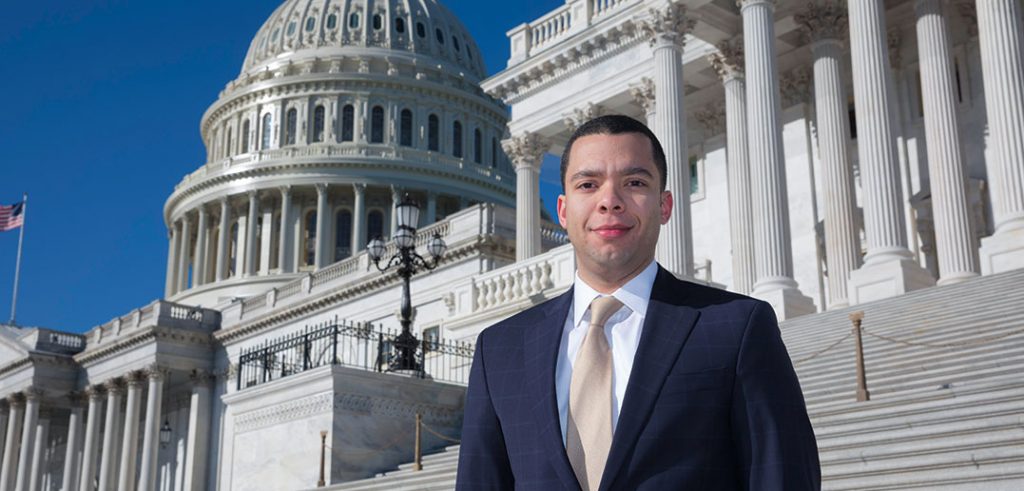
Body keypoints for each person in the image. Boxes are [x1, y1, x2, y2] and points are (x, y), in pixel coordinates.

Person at [456, 115, 820, 490]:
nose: (609, 201)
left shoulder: (737, 329)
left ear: (664, 206)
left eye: (634, 182)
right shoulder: (499, 350)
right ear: (563, 211)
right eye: (588, 184)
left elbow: (782, 475)